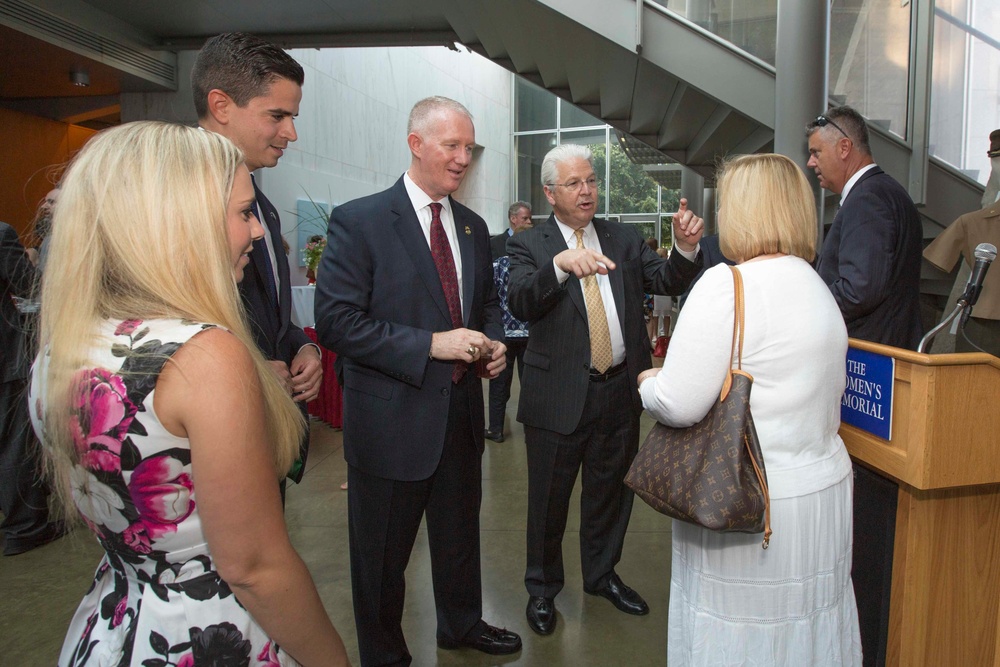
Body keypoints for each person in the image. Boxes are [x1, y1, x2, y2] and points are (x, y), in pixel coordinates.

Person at [29, 121, 350, 666]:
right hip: (204, 634)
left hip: (116, 623)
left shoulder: (67, 342)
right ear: (183, 223)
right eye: (244, 213)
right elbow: (254, 567)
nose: (255, 232)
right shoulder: (203, 354)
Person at [314, 96, 521, 665]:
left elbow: (482, 310)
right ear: (415, 143)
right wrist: (431, 346)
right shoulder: (361, 221)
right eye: (451, 146)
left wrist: (491, 344)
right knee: (381, 557)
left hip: (458, 414)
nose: (462, 159)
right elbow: (336, 322)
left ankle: (461, 624)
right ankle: (385, 655)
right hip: (389, 420)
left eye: (469, 149)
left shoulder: (475, 228)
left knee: (459, 537)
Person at [638, 153, 862, 666]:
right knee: (805, 633)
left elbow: (679, 402)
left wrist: (648, 383)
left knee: (744, 641)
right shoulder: (817, 286)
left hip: (749, 503)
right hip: (819, 495)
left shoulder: (726, 285)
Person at [506, 143, 703, 636]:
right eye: (574, 183)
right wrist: (559, 265)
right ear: (550, 193)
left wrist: (683, 248)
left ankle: (600, 575)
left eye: (591, 179)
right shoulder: (529, 244)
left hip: (618, 391)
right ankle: (543, 590)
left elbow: (667, 279)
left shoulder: (621, 236)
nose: (587, 190)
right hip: (556, 399)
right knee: (548, 503)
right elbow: (521, 301)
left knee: (609, 495)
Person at [192, 32, 321, 486]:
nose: (291, 132)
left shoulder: (259, 202)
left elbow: (266, 309)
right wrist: (247, 373)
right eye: (277, 115)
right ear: (222, 105)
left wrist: (299, 345)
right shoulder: (171, 203)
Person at [806, 105, 923, 350]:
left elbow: (859, 291)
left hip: (872, 358)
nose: (810, 162)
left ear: (844, 148)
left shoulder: (867, 199)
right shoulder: (884, 191)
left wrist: (806, 307)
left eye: (816, 152)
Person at [1, 221, 64, 556]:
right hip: (5, 359)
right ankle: (25, 527)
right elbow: (28, 287)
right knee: (13, 443)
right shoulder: (1, 234)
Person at [485, 220, 532, 442]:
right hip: (530, 333)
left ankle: (495, 429)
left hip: (503, 335)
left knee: (499, 383)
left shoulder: (498, 265)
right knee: (530, 383)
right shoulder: (536, 267)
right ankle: (531, 430)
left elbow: (488, 299)